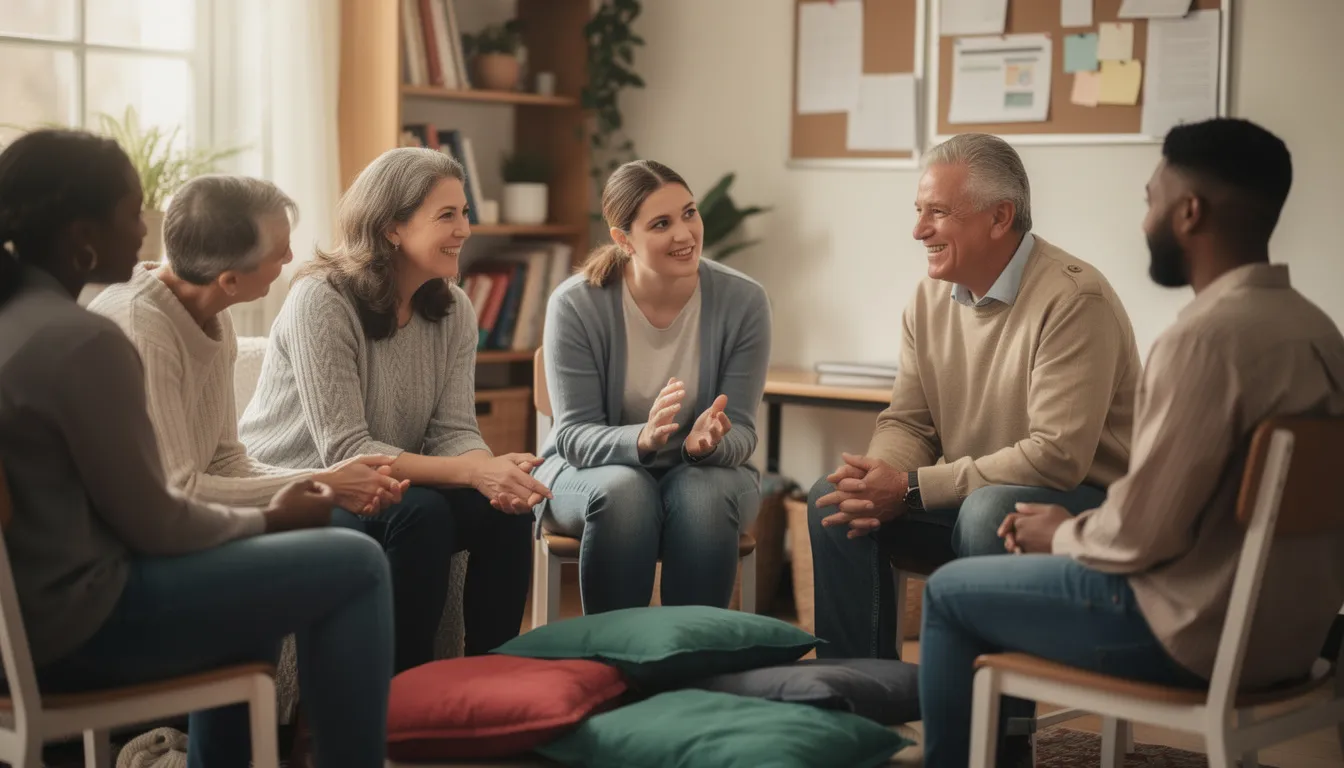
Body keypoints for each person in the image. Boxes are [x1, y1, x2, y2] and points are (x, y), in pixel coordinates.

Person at [918, 118, 1344, 768]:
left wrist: (1062, 531)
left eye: (1152, 200)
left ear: (1189, 212)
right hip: (1289, 639)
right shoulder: (1320, 334)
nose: (1145, 220)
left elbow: (1141, 534)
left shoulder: (1203, 342)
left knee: (949, 595)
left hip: (1189, 634)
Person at [0, 130, 393, 767]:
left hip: (35, 619)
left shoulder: (25, 318)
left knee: (268, 572)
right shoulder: (89, 339)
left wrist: (285, 508)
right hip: (75, 630)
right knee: (357, 562)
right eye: (133, 212)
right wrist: (273, 517)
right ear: (82, 236)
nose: (147, 230)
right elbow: (157, 521)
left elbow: (197, 474)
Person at [807, 132, 1141, 661]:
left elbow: (1057, 457)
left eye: (937, 212)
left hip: (1083, 507)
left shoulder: (1075, 299)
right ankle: (860, 695)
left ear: (1000, 217)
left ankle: (989, 713)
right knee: (835, 501)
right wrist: (877, 481)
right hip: (977, 496)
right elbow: (910, 422)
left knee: (988, 513)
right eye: (919, 210)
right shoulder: (927, 299)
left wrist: (910, 488)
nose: (918, 230)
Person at [239, 147, 544, 669]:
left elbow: (453, 429)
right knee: (419, 515)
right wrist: (474, 471)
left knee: (506, 513)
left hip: (390, 482)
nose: (465, 230)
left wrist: (493, 475)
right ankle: (401, 693)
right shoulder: (321, 298)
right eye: (446, 215)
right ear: (392, 228)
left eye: (464, 212)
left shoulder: (454, 308)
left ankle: (491, 680)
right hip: (302, 484)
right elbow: (346, 450)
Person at [88, 175, 409, 515]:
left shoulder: (213, 312)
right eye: (279, 252)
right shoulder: (143, 331)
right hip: (134, 532)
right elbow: (176, 489)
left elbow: (225, 461)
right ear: (230, 281)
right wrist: (326, 483)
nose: (290, 256)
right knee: (350, 540)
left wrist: (329, 481)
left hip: (191, 520)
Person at [535, 159, 771, 613]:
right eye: (661, 224)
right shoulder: (576, 304)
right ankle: (614, 651)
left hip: (704, 475)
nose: (685, 234)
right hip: (588, 474)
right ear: (623, 239)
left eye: (689, 213)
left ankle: (693, 651)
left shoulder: (744, 301)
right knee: (627, 494)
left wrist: (706, 446)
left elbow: (742, 430)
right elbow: (573, 437)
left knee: (702, 497)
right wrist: (641, 439)